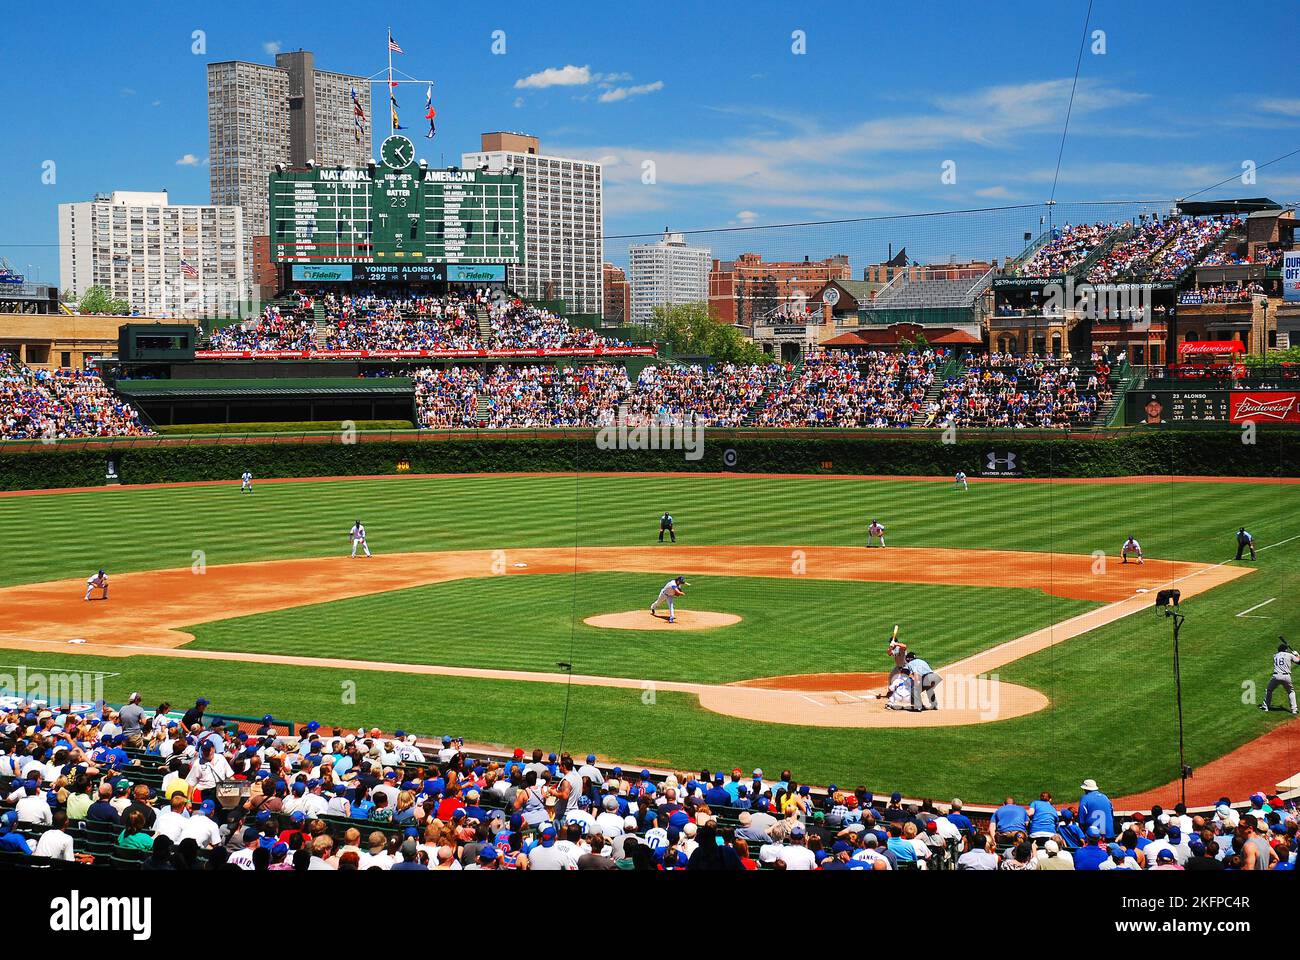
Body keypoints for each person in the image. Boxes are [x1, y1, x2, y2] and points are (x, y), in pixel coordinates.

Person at [1260, 639, 1299, 714]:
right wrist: (1297, 655)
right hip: (1286, 677)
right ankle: (1294, 710)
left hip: (1276, 676)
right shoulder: (1289, 655)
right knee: (1290, 691)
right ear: (1286, 650)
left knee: (1269, 690)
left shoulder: (1275, 656)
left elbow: (1282, 655)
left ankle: (1265, 707)